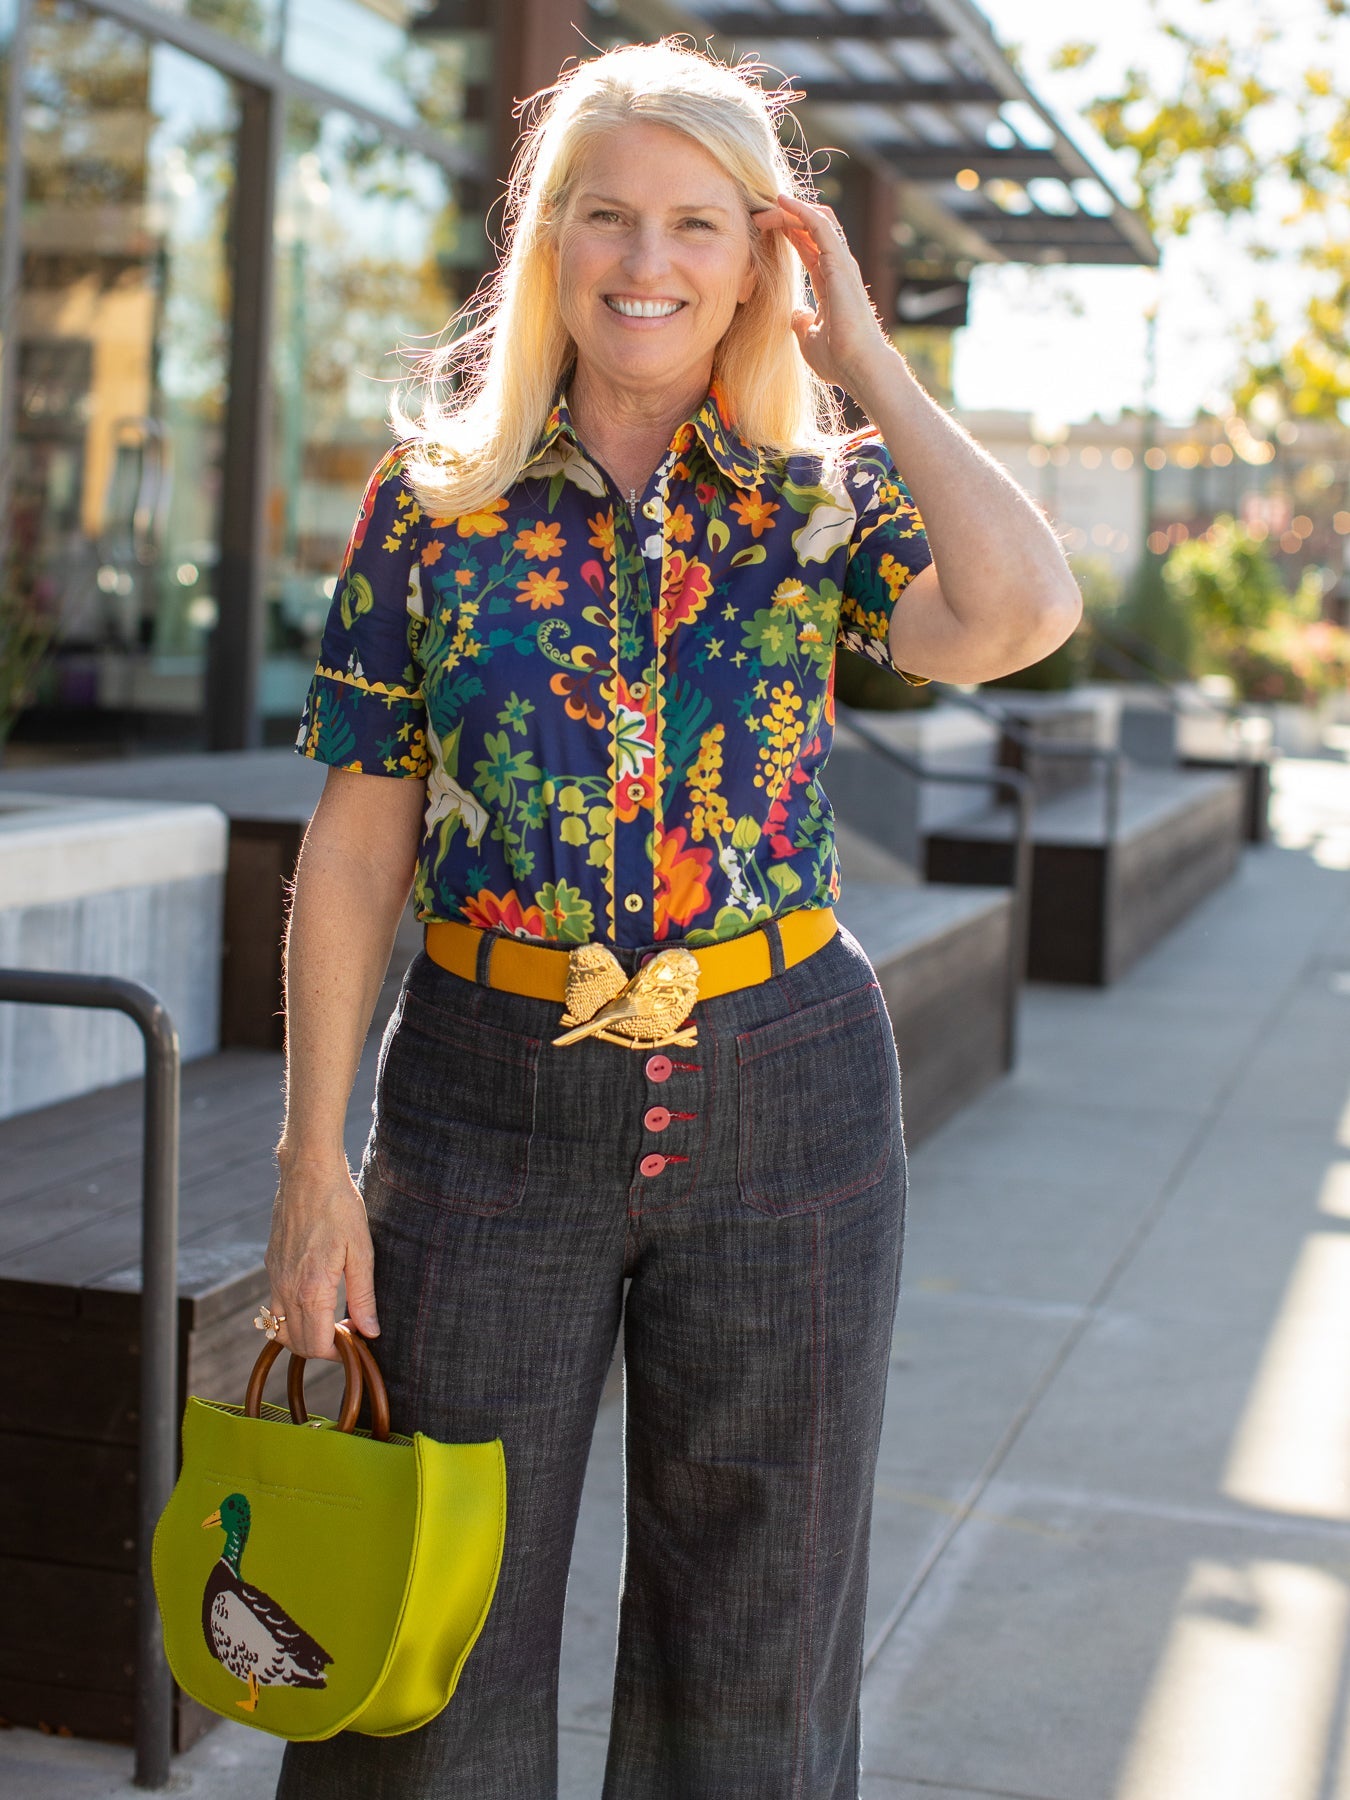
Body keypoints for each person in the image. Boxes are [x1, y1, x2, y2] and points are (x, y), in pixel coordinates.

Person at [266, 38, 1080, 1800]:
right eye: (609, 215)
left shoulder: (814, 500)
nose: (650, 262)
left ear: (758, 254)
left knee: (758, 1639)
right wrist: (310, 1168)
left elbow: (1019, 613)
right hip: (486, 1098)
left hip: (786, 1091)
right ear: (549, 241)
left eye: (700, 224)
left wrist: (859, 350)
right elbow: (353, 841)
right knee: (429, 1640)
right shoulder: (432, 506)